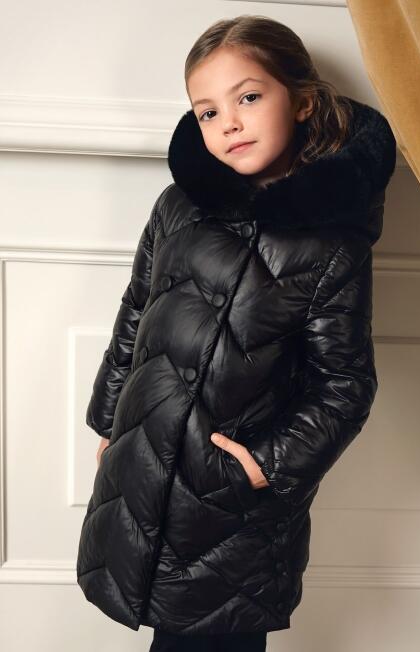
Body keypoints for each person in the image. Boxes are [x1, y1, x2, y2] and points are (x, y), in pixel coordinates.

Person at [76, 14, 397, 652]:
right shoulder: (177, 207)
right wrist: (111, 424)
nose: (229, 122)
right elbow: (137, 310)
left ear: (302, 101)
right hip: (142, 467)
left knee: (218, 637)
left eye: (248, 97)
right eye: (207, 111)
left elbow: (345, 385)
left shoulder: (332, 243)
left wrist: (263, 467)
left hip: (233, 504)